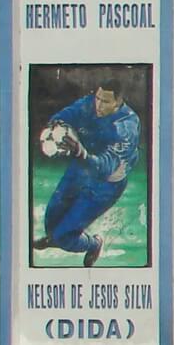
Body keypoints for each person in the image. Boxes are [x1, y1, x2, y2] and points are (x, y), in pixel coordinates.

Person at [33, 77, 142, 267]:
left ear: (118, 101)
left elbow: (104, 167)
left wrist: (80, 152)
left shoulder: (126, 127)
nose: (98, 105)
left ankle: (93, 243)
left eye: (105, 101)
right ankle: (56, 238)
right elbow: (68, 114)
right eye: (98, 99)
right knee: (51, 219)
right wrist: (57, 125)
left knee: (65, 236)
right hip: (80, 169)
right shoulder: (88, 104)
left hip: (105, 184)